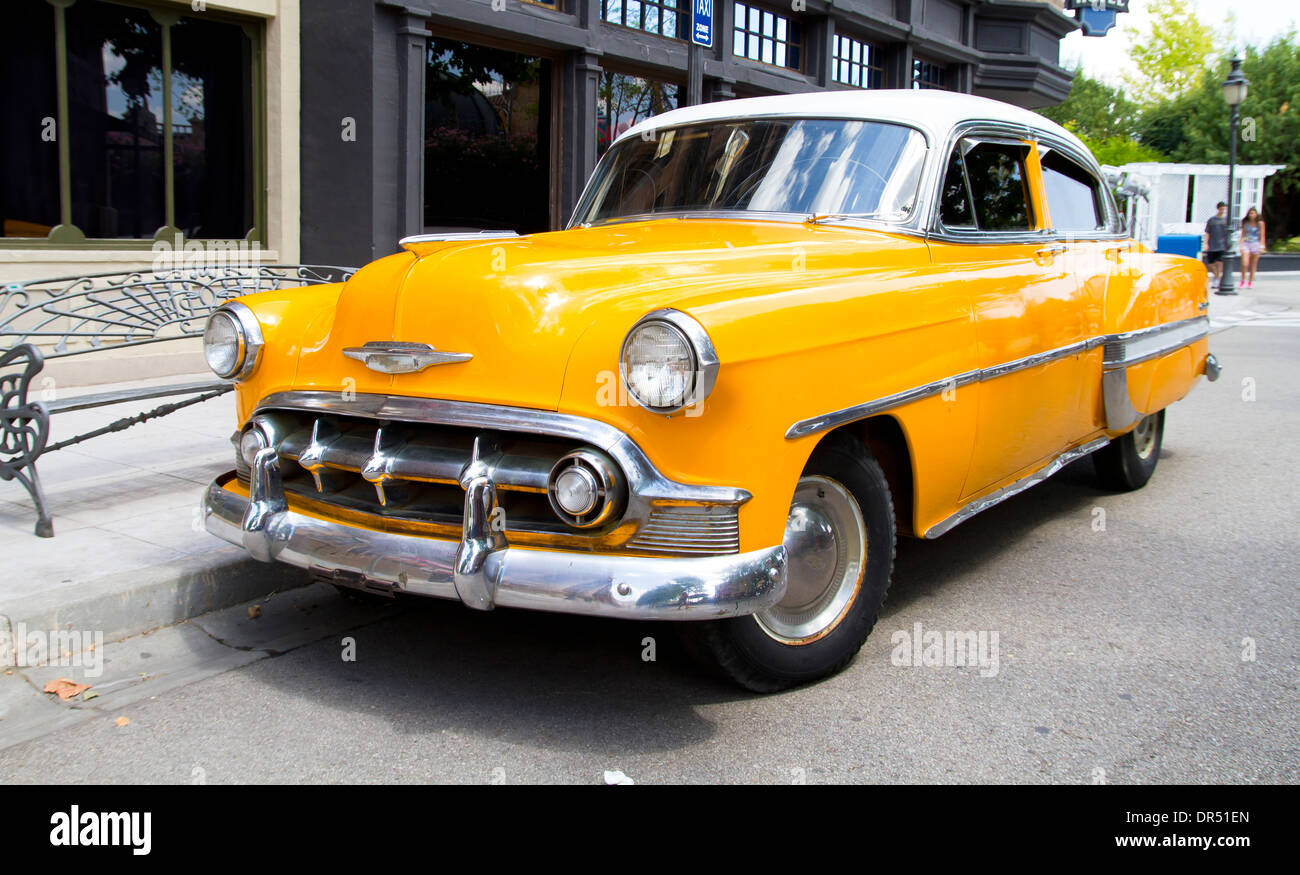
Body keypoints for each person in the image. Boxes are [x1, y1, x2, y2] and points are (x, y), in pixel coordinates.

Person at [1204, 202, 1231, 294]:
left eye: (1224, 209)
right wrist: (1206, 243)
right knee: (1210, 264)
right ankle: (1216, 276)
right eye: (1221, 209)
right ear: (1218, 209)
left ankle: (1217, 279)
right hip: (1212, 244)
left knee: (1220, 262)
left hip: (1222, 245)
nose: (1223, 210)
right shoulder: (1212, 220)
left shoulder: (1226, 220)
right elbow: (1207, 232)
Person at [1240, 206, 1266, 289]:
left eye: (1253, 213)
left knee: (1253, 264)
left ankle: (1250, 281)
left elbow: (1262, 235)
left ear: (1256, 214)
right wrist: (1240, 245)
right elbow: (1242, 234)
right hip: (1246, 243)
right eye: (1250, 213)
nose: (1252, 215)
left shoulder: (1260, 223)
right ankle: (1243, 280)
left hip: (1255, 243)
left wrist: (1262, 246)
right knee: (1245, 263)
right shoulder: (1245, 222)